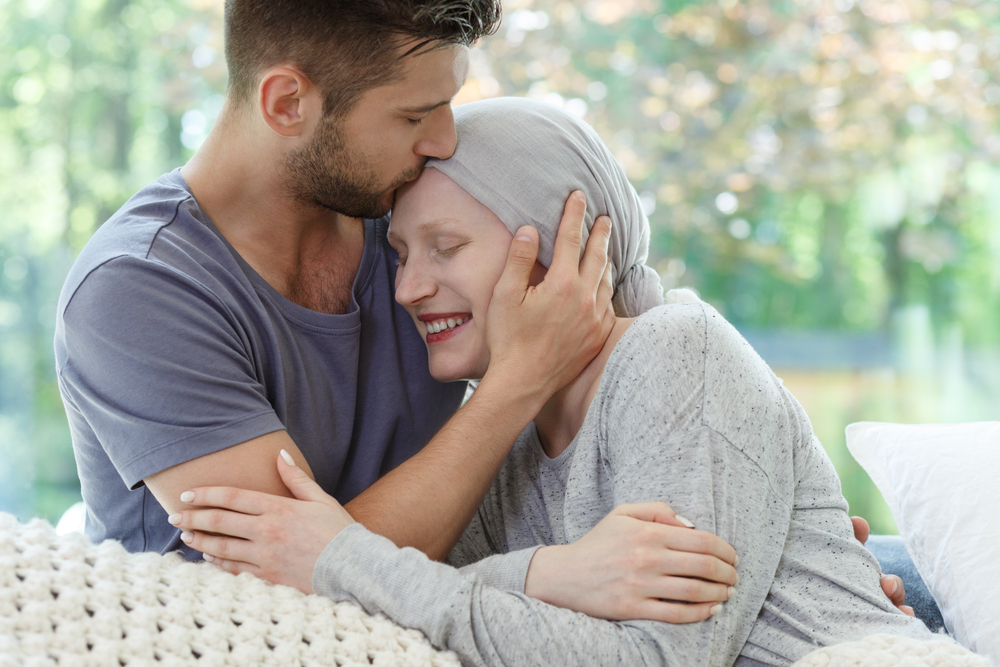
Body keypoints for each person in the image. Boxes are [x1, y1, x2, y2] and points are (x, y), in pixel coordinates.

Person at [54, 0, 756, 625]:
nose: (444, 141)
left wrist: (753, 513)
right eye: (414, 115)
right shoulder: (139, 291)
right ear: (287, 103)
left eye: (447, 105)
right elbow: (299, 584)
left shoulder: (408, 237)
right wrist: (519, 380)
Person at [173, 98, 932, 665]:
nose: (409, 289)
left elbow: (661, 656)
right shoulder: (494, 449)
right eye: (403, 254)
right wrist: (551, 574)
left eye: (446, 246)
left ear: (572, 244)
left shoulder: (676, 353)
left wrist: (342, 556)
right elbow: (425, 609)